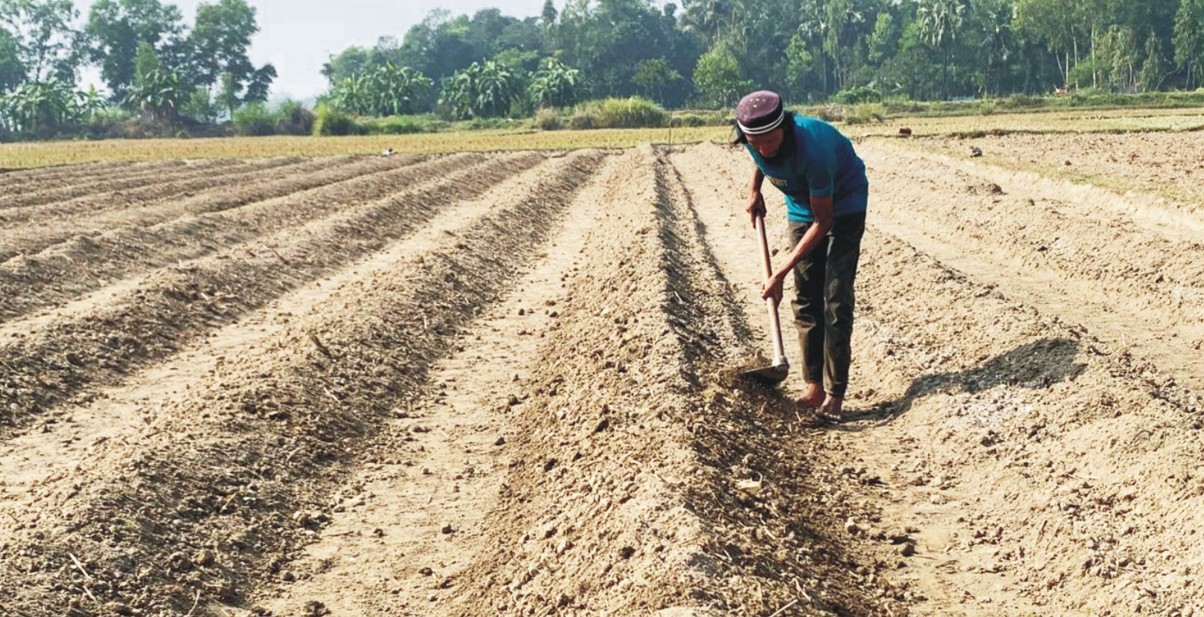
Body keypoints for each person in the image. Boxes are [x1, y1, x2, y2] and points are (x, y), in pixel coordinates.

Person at [733, 90, 869, 422]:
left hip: (844, 203)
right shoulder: (754, 140)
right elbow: (759, 158)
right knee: (806, 295)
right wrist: (755, 190)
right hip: (800, 206)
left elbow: (825, 221)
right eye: (755, 141)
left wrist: (779, 271)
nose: (763, 148)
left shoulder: (815, 150)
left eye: (769, 141)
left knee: (835, 297)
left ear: (787, 129)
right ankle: (814, 387)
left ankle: (835, 394)